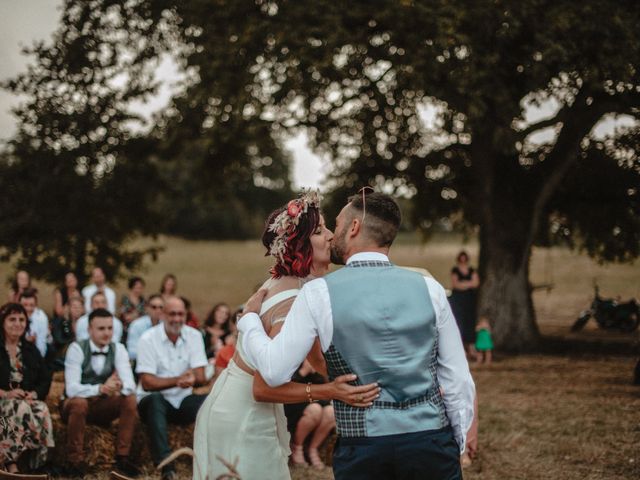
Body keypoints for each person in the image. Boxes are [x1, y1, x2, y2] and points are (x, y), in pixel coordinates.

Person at [239, 191, 476, 480]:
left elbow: (274, 372)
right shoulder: (430, 288)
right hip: (431, 443)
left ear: (353, 228)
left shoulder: (318, 293)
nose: (331, 234)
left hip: (364, 448)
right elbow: (458, 379)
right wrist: (456, 443)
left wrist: (249, 321)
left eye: (336, 225)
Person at [193, 192, 380, 480]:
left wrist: (366, 380)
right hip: (244, 413)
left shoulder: (298, 285)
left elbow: (317, 358)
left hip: (241, 405)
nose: (331, 236)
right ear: (301, 245)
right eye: (320, 231)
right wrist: (329, 391)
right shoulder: (291, 299)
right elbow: (264, 387)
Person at [136, 296, 209, 480]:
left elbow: (201, 376)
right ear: (162, 314)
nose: (177, 318)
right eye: (172, 314)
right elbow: (147, 382)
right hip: (153, 402)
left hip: (182, 400)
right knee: (155, 401)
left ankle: (210, 460)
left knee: (212, 400)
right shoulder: (148, 339)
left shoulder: (194, 336)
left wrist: (193, 378)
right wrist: (177, 380)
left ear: (185, 315)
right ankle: (167, 467)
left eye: (180, 314)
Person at [61, 308, 139, 478]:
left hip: (103, 405)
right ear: (90, 330)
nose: (107, 333)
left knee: (130, 399)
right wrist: (100, 388)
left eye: (110, 328)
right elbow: (71, 389)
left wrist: (118, 385)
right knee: (79, 403)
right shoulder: (76, 348)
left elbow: (130, 384)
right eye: (101, 328)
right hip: (76, 406)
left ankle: (122, 458)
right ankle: (74, 461)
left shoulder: (118, 348)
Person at [0, 302, 54, 473]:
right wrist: (6, 394)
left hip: (23, 400)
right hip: (3, 399)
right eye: (12, 319)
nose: (18, 323)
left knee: (41, 409)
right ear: (2, 322)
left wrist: (35, 393)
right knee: (20, 407)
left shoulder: (31, 350)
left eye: (22, 319)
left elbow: (45, 378)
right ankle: (10, 463)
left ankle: (37, 464)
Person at [285, 360, 336, 470]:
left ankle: (313, 449)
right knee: (315, 410)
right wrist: (304, 371)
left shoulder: (316, 354)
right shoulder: (290, 355)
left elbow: (325, 384)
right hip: (294, 400)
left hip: (316, 397)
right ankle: (297, 447)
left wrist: (319, 371)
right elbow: (283, 384)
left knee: (331, 413)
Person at [450, 250, 480, 355]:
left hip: (469, 300)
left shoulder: (472, 270)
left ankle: (471, 346)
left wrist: (462, 284)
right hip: (458, 300)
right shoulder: (455, 270)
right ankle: (461, 346)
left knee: (470, 321)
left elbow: (476, 283)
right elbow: (455, 285)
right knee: (459, 321)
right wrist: (469, 283)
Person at [126, 294, 164, 362]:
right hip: (142, 363)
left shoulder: (167, 325)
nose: (158, 310)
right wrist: (153, 355)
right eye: (154, 307)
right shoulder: (136, 325)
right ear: (147, 308)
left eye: (161, 307)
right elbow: (131, 352)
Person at [50, 296, 85, 371]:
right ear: (69, 308)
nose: (76, 309)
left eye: (79, 307)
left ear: (83, 309)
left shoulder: (87, 325)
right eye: (74, 307)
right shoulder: (61, 323)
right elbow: (59, 340)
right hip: (64, 356)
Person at [19, 288, 50, 358]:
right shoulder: (14, 317)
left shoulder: (41, 318)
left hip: (34, 355)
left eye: (31, 305)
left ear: (36, 305)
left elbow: (41, 345)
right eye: (25, 305)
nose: (28, 309)